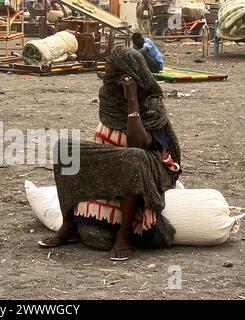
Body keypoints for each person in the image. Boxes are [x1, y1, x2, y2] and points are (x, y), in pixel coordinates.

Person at [38, 45, 181, 261]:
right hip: (114, 158)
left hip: (151, 165)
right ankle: (69, 226)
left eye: (113, 71)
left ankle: (123, 237)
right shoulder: (109, 95)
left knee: (132, 157)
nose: (107, 76)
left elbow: (139, 144)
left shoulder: (151, 101)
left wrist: (132, 100)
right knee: (66, 149)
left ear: (129, 76)